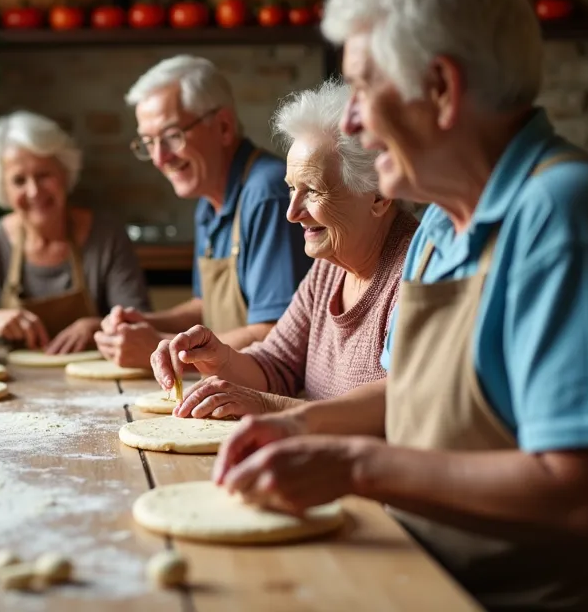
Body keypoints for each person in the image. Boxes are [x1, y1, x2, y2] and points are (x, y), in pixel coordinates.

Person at [212, 0, 588, 609]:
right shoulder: (439, 222)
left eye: (364, 87)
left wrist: (354, 465)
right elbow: (415, 395)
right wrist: (300, 426)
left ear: (442, 88)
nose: (348, 120)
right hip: (429, 580)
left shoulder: (568, 222)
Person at [150, 79, 418, 419]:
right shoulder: (330, 267)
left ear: (378, 195)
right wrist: (219, 358)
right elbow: (276, 365)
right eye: (292, 189)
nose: (292, 212)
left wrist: (266, 405)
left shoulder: (415, 270)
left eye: (314, 191)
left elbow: (399, 407)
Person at [96, 55, 313, 369]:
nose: (160, 158)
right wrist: (142, 322)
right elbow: (205, 306)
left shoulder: (267, 193)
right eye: (148, 142)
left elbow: (275, 331)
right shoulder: (209, 201)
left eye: (171, 136)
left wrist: (161, 349)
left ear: (223, 127)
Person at [0, 110, 150, 355]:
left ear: (64, 174)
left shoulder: (107, 237)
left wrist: (97, 327)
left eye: (44, 175)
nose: (34, 191)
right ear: (2, 189)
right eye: (19, 181)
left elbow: (143, 325)